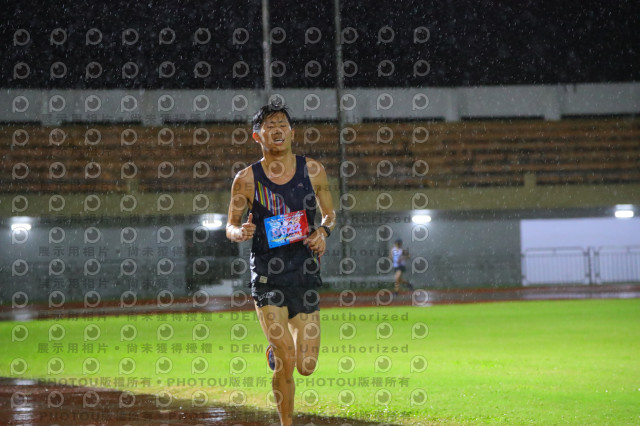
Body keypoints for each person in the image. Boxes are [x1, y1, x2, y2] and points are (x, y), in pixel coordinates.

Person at [226, 102, 336, 426]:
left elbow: (329, 214)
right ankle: (287, 422)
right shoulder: (246, 179)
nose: (277, 130)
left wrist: (323, 232)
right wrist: (239, 232)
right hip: (267, 276)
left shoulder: (312, 170)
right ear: (257, 136)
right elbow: (230, 224)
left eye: (282, 125)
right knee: (287, 360)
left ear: (292, 132)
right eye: (269, 126)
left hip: (304, 272)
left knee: (306, 366)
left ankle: (275, 352)